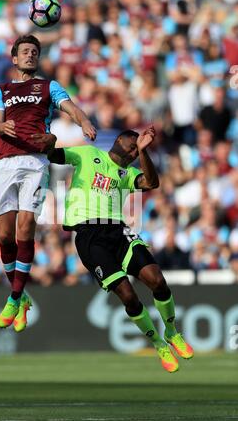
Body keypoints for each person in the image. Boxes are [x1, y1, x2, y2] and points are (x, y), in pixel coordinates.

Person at [48, 126, 193, 373]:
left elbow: (152, 182)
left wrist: (145, 152)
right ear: (118, 139)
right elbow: (53, 155)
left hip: (118, 231)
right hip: (89, 237)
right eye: (133, 142)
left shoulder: (127, 173)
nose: (135, 147)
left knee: (156, 280)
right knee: (127, 295)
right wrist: (46, 140)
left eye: (138, 148)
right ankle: (158, 344)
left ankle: (171, 332)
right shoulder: (87, 154)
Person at [0, 34, 96, 332]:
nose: (30, 55)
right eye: (24, 51)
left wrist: (84, 122)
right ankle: (21, 296)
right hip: (4, 162)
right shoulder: (1, 89)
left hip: (35, 161)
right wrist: (2, 125)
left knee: (26, 228)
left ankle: (13, 297)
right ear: (14, 58)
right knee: (4, 235)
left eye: (34, 51)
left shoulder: (48, 87)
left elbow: (71, 107)